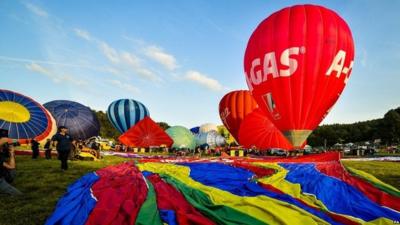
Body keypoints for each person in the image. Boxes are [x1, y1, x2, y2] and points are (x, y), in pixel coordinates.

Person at [0, 129, 22, 195]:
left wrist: (12, 154)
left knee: (12, 171)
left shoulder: (4, 149)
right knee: (19, 195)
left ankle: (6, 183)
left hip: (3, 175)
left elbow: (12, 167)